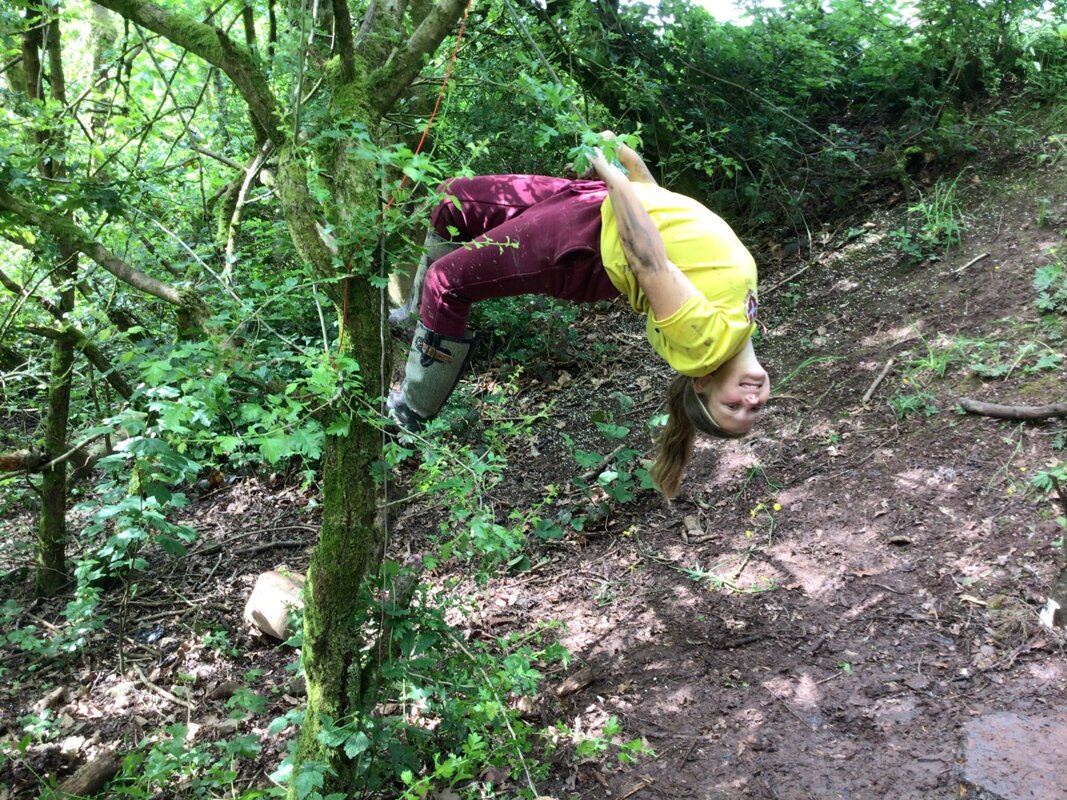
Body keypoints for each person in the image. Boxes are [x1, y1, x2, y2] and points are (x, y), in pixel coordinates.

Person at [387, 133, 770, 497]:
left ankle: (414, 411)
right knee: (450, 199)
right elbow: (668, 217)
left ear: (703, 385)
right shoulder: (742, 320)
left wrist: (610, 171)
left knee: (447, 283)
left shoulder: (705, 348)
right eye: (755, 407)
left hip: (587, 248)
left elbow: (649, 260)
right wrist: (626, 159)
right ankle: (418, 317)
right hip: (599, 206)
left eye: (732, 407)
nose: (750, 400)